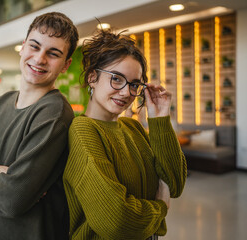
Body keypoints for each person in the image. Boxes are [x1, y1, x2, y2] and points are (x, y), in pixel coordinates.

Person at [0, 12, 79, 240]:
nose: (39, 59)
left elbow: (12, 200)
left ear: (66, 65)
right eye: (34, 46)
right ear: (22, 47)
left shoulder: (54, 113)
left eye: (53, 53)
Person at [63, 29, 187, 240]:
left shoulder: (133, 128)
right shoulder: (83, 130)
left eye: (134, 84)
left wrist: (160, 119)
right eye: (116, 79)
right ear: (93, 77)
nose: (126, 92)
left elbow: (174, 183)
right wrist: (160, 207)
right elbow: (117, 221)